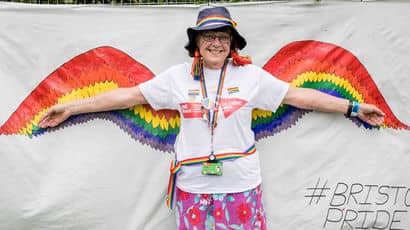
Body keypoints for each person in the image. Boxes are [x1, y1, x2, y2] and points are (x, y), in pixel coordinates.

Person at [39, 6, 384, 230]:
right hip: (192, 189)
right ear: (197, 43)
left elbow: (299, 96)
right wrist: (72, 107)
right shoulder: (176, 78)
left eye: (222, 37)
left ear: (232, 43)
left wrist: (352, 107)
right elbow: (127, 97)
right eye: (209, 37)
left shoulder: (253, 78)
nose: (216, 43)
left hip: (241, 187)